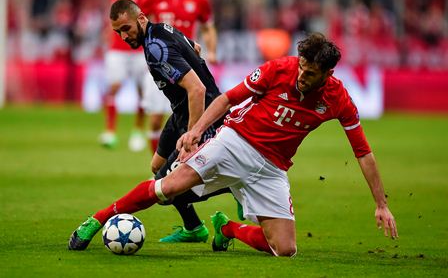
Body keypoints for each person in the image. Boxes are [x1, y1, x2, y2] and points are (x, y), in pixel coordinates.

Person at [69, 31, 398, 256]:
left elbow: (363, 152)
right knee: (166, 188)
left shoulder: (338, 99)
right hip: (235, 143)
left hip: (272, 168)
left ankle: (227, 229)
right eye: (301, 67)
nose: (301, 76)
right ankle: (97, 218)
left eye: (310, 73)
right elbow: (227, 99)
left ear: (328, 73)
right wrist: (196, 130)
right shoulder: (278, 69)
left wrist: (381, 204)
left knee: (284, 250)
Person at [68, 0, 230, 250]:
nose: (123, 36)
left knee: (166, 189)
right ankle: (194, 227)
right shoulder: (163, 29)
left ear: (141, 18)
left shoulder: (155, 47)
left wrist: (193, 136)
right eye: (117, 32)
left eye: (126, 29)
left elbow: (197, 89)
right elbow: (195, 47)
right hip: (180, 113)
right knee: (157, 165)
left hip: (200, 115)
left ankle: (234, 184)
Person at [141, 0, 218, 157]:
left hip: (187, 65)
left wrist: (212, 50)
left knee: (187, 118)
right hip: (160, 64)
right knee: (155, 120)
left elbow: (208, 27)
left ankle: (186, 162)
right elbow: (140, 24)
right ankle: (158, 167)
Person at [99, 0, 171, 151]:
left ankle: (137, 131)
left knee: (141, 90)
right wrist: (106, 37)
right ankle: (110, 131)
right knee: (114, 87)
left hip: (138, 49)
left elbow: (151, 17)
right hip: (117, 49)